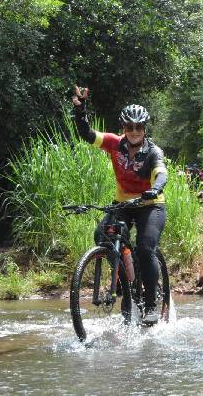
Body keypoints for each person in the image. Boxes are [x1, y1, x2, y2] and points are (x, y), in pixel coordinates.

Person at [71, 85, 166, 324]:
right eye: (130, 127)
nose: (134, 131)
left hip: (150, 204)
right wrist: (81, 110)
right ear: (124, 128)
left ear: (145, 128)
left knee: (145, 248)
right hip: (123, 203)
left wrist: (155, 188)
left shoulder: (154, 151)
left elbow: (161, 172)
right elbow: (87, 134)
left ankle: (152, 304)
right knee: (102, 235)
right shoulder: (114, 143)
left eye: (139, 127)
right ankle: (125, 277)